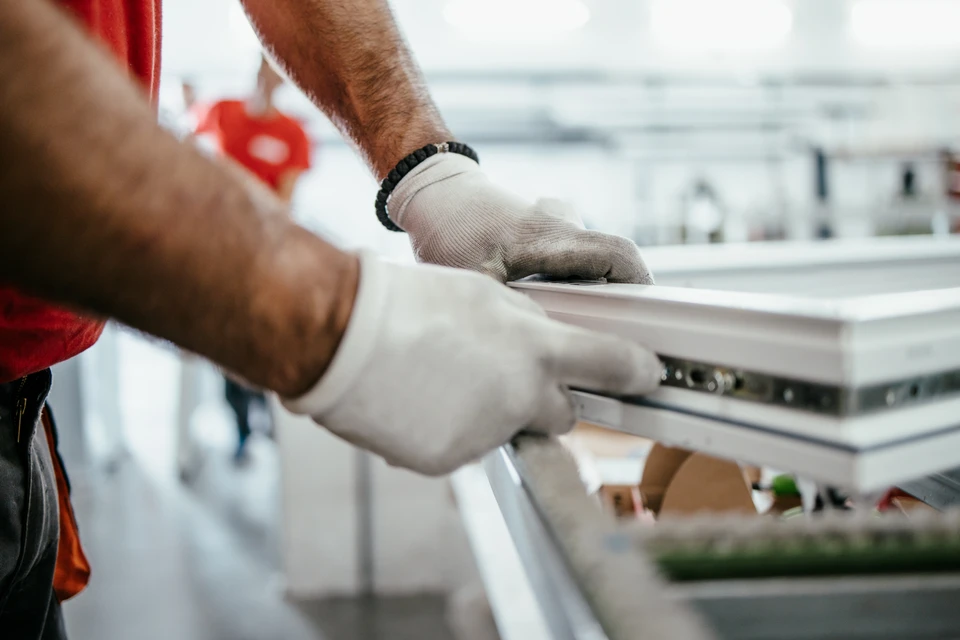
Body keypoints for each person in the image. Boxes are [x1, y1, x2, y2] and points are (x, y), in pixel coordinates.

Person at [0, 1, 660, 638]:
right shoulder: (225, 114)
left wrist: (431, 176)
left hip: (26, 411)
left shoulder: (285, 136)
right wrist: (341, 327)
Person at [191, 56, 314, 461]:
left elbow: (285, 200)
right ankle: (242, 426)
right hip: (219, 248)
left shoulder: (293, 133)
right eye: (267, 66)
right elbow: (191, 133)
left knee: (265, 338)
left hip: (264, 252)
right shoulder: (224, 112)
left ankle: (266, 418)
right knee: (227, 344)